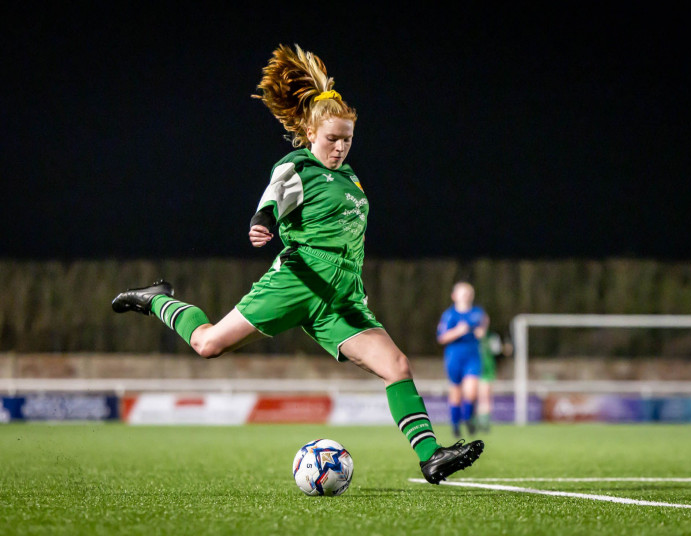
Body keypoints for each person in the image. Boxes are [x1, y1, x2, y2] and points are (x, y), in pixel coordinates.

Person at [112, 44, 483, 484]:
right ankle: (156, 300)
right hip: (297, 280)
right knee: (208, 344)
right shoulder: (299, 165)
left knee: (397, 367)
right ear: (309, 133)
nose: (340, 146)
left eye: (347, 139)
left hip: (341, 299)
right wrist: (263, 218)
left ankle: (430, 456)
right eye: (332, 139)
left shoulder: (351, 179)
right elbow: (275, 192)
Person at [436, 281, 488, 437]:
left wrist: (482, 331)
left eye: (468, 293)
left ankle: (468, 419)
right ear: (454, 296)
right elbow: (442, 338)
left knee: (471, 392)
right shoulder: (449, 315)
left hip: (472, 356)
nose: (466, 295)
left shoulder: (478, 312)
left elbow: (484, 322)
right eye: (462, 292)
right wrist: (458, 331)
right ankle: (455, 426)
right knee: (456, 392)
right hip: (454, 356)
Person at [476, 330, 504, 432]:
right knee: (473, 397)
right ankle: (474, 422)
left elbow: (497, 351)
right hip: (472, 371)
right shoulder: (469, 336)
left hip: (487, 371)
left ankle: (484, 424)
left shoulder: (492, 337)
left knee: (485, 397)